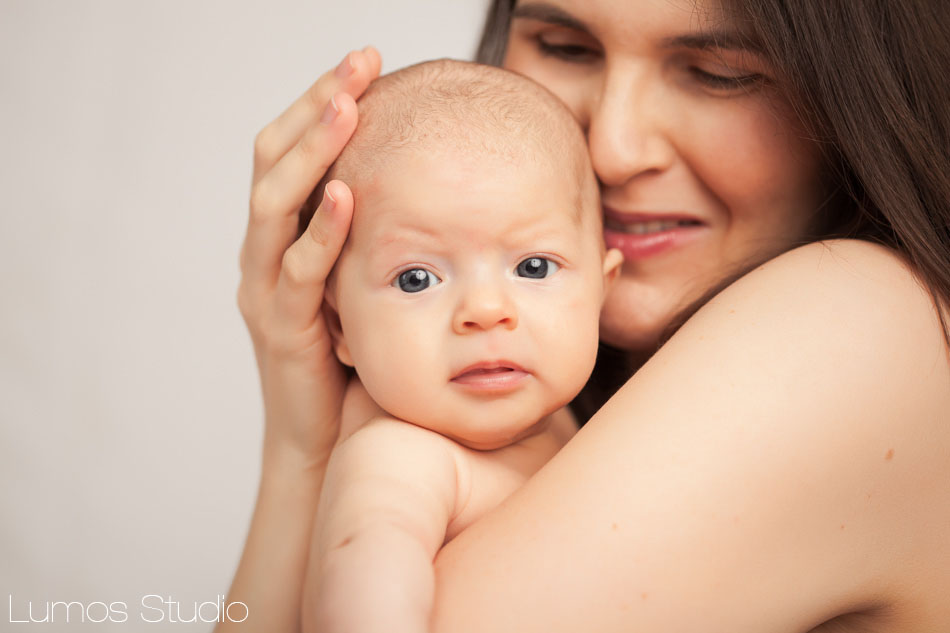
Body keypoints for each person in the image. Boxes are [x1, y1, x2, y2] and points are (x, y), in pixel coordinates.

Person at [222, 0, 950, 631]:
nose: (611, 149)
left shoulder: (860, 323)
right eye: (566, 48)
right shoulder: (549, 405)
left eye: (719, 71)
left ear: (861, 89)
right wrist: (301, 447)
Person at [297, 59, 621, 633]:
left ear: (603, 289)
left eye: (534, 266)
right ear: (341, 327)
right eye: (416, 278)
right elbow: (366, 583)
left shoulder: (588, 417)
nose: (485, 311)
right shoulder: (400, 458)